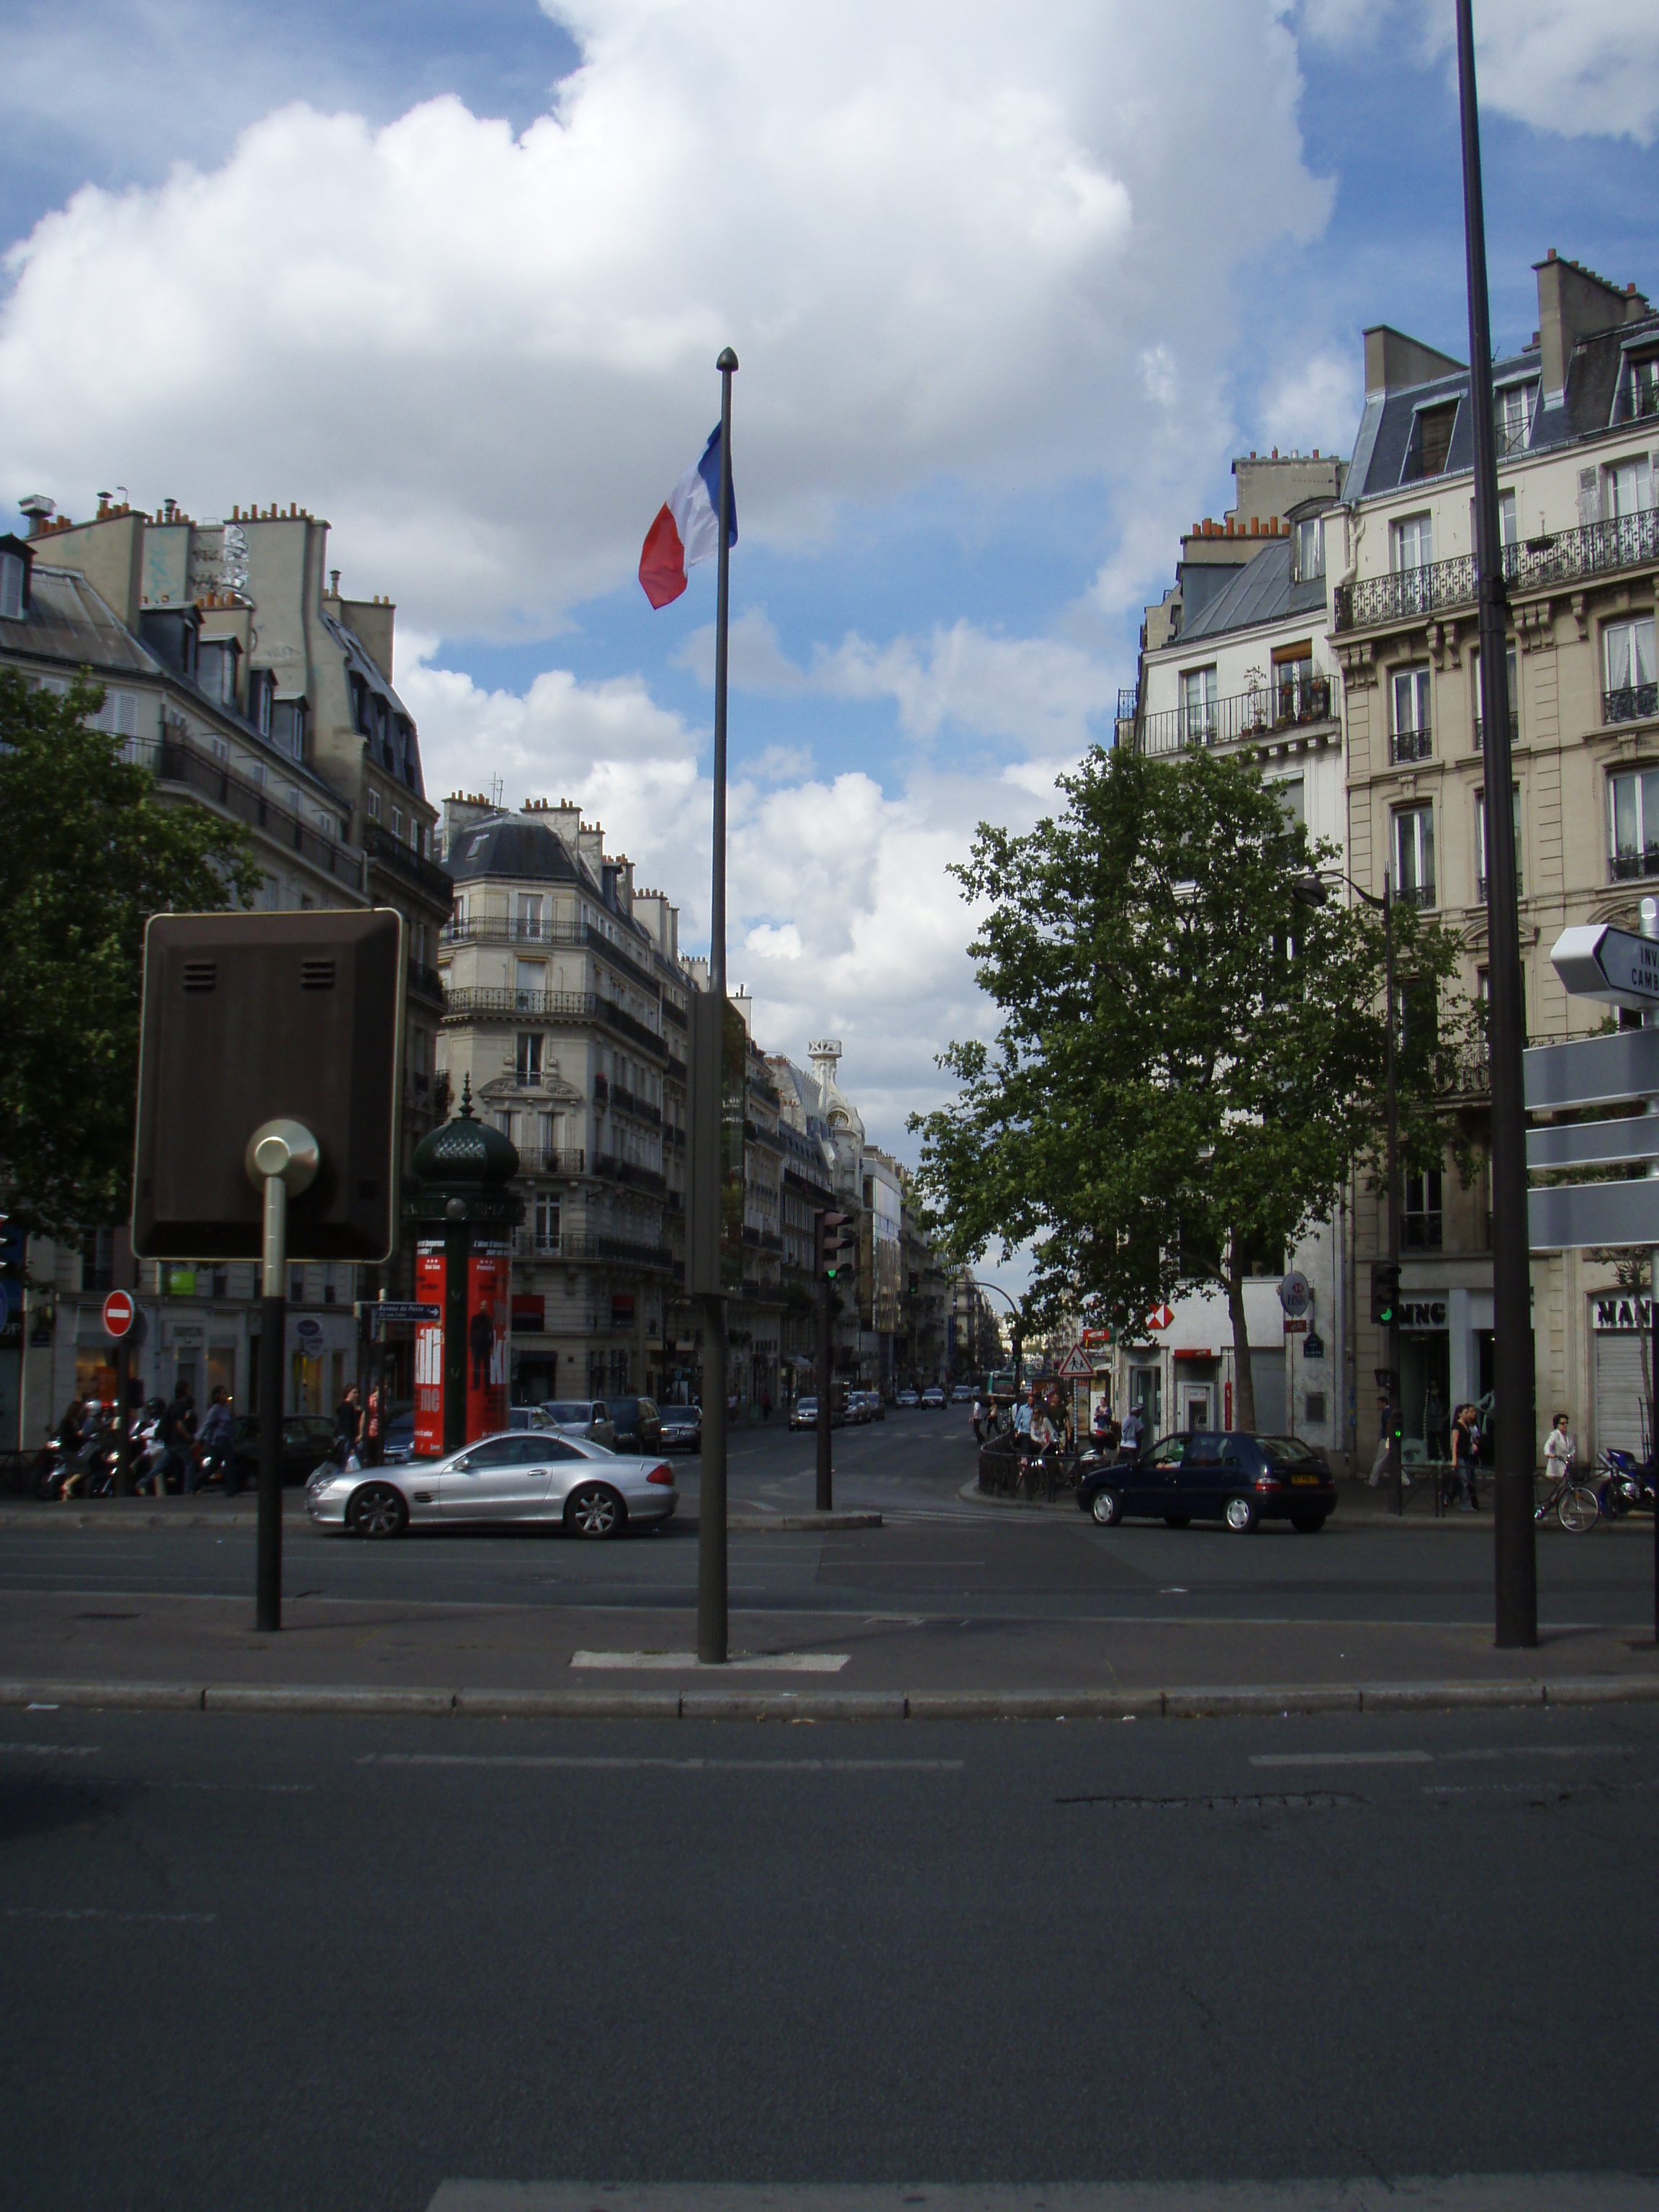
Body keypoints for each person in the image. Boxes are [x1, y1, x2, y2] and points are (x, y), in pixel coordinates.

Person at [194, 1386, 235, 1494]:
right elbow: (207, 1425)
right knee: (229, 1461)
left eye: (226, 1394)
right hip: (219, 1439)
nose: (226, 1396)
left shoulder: (226, 1409)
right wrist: (198, 1439)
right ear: (217, 1397)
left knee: (214, 1465)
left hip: (226, 1438)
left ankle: (196, 1482)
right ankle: (231, 1489)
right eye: (223, 1394)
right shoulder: (215, 1410)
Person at [1450, 1402, 1483, 1511]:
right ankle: (1465, 1505)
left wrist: (1472, 1444)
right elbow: (1455, 1443)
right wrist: (1454, 1459)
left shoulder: (1466, 1425)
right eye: (1466, 1412)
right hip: (1460, 1456)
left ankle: (1456, 1499)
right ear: (1459, 1414)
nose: (1467, 1414)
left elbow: (1467, 1440)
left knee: (1468, 1480)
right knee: (1464, 1481)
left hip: (1467, 1455)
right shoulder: (1457, 1426)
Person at [1545, 1411, 1573, 1489]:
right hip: (1556, 1465)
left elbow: (1573, 1448)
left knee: (1565, 1486)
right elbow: (1548, 1445)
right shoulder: (1555, 1435)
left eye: (1566, 1423)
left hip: (1565, 1464)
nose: (1565, 1425)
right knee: (1560, 1487)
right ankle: (1556, 1501)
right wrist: (1549, 1454)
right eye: (1563, 1423)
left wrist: (1570, 1456)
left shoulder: (1569, 1435)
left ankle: (1563, 1501)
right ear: (1557, 1425)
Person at [334, 1385, 361, 1455]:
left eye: (357, 1393)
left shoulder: (350, 1406)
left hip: (348, 1438)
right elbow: (348, 1425)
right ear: (348, 1393)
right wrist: (351, 1445)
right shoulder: (347, 1406)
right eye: (354, 1393)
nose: (356, 1395)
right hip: (347, 1439)